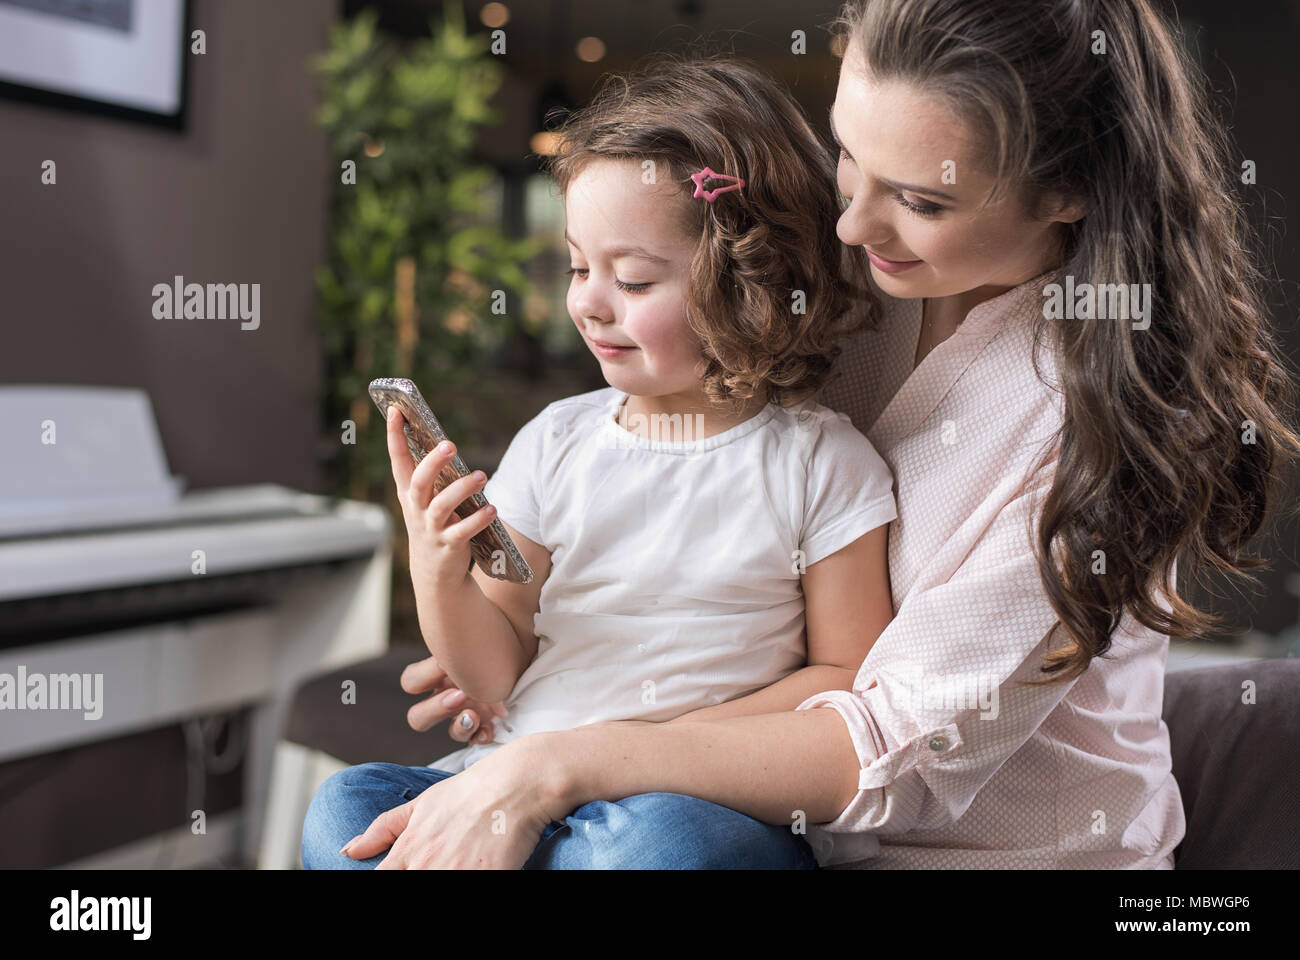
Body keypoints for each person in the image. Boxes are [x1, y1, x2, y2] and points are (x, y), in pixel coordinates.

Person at [310, 0, 1300, 869]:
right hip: (755, 811)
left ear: (1064, 193)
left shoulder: (1098, 429)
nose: (848, 228)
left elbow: (890, 745)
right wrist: (558, 653)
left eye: (920, 200)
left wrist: (564, 753)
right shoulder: (840, 297)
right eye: (848, 162)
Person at [302, 54, 900, 869]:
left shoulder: (823, 461)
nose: (586, 300)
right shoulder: (557, 439)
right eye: (581, 266)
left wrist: (636, 746)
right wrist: (438, 573)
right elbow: (494, 666)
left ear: (751, 284)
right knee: (342, 807)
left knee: (661, 850)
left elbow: (846, 679)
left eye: (633, 278)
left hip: (687, 802)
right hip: (514, 789)